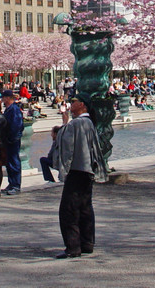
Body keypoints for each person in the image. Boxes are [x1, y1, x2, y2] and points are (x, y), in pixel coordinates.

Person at [50, 98, 108, 259]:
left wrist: (64, 122)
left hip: (77, 169)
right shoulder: (89, 122)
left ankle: (73, 247)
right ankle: (87, 243)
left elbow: (65, 145)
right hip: (88, 170)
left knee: (69, 210)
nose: (70, 103)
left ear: (82, 104)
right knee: (85, 208)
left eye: (74, 101)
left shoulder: (77, 124)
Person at [1, 89, 24, 195]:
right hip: (9, 140)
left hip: (12, 141)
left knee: (14, 162)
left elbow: (16, 126)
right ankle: (12, 183)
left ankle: (16, 185)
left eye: (3, 97)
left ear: (7, 98)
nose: (2, 99)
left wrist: (11, 138)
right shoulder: (10, 109)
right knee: (10, 162)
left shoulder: (14, 109)